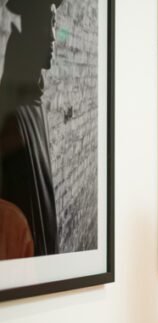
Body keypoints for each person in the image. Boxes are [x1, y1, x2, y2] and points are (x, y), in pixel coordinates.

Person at [0, 0, 63, 256]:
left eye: (53, 23)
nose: (52, 36)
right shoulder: (12, 113)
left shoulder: (35, 101)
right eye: (44, 23)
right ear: (27, 28)